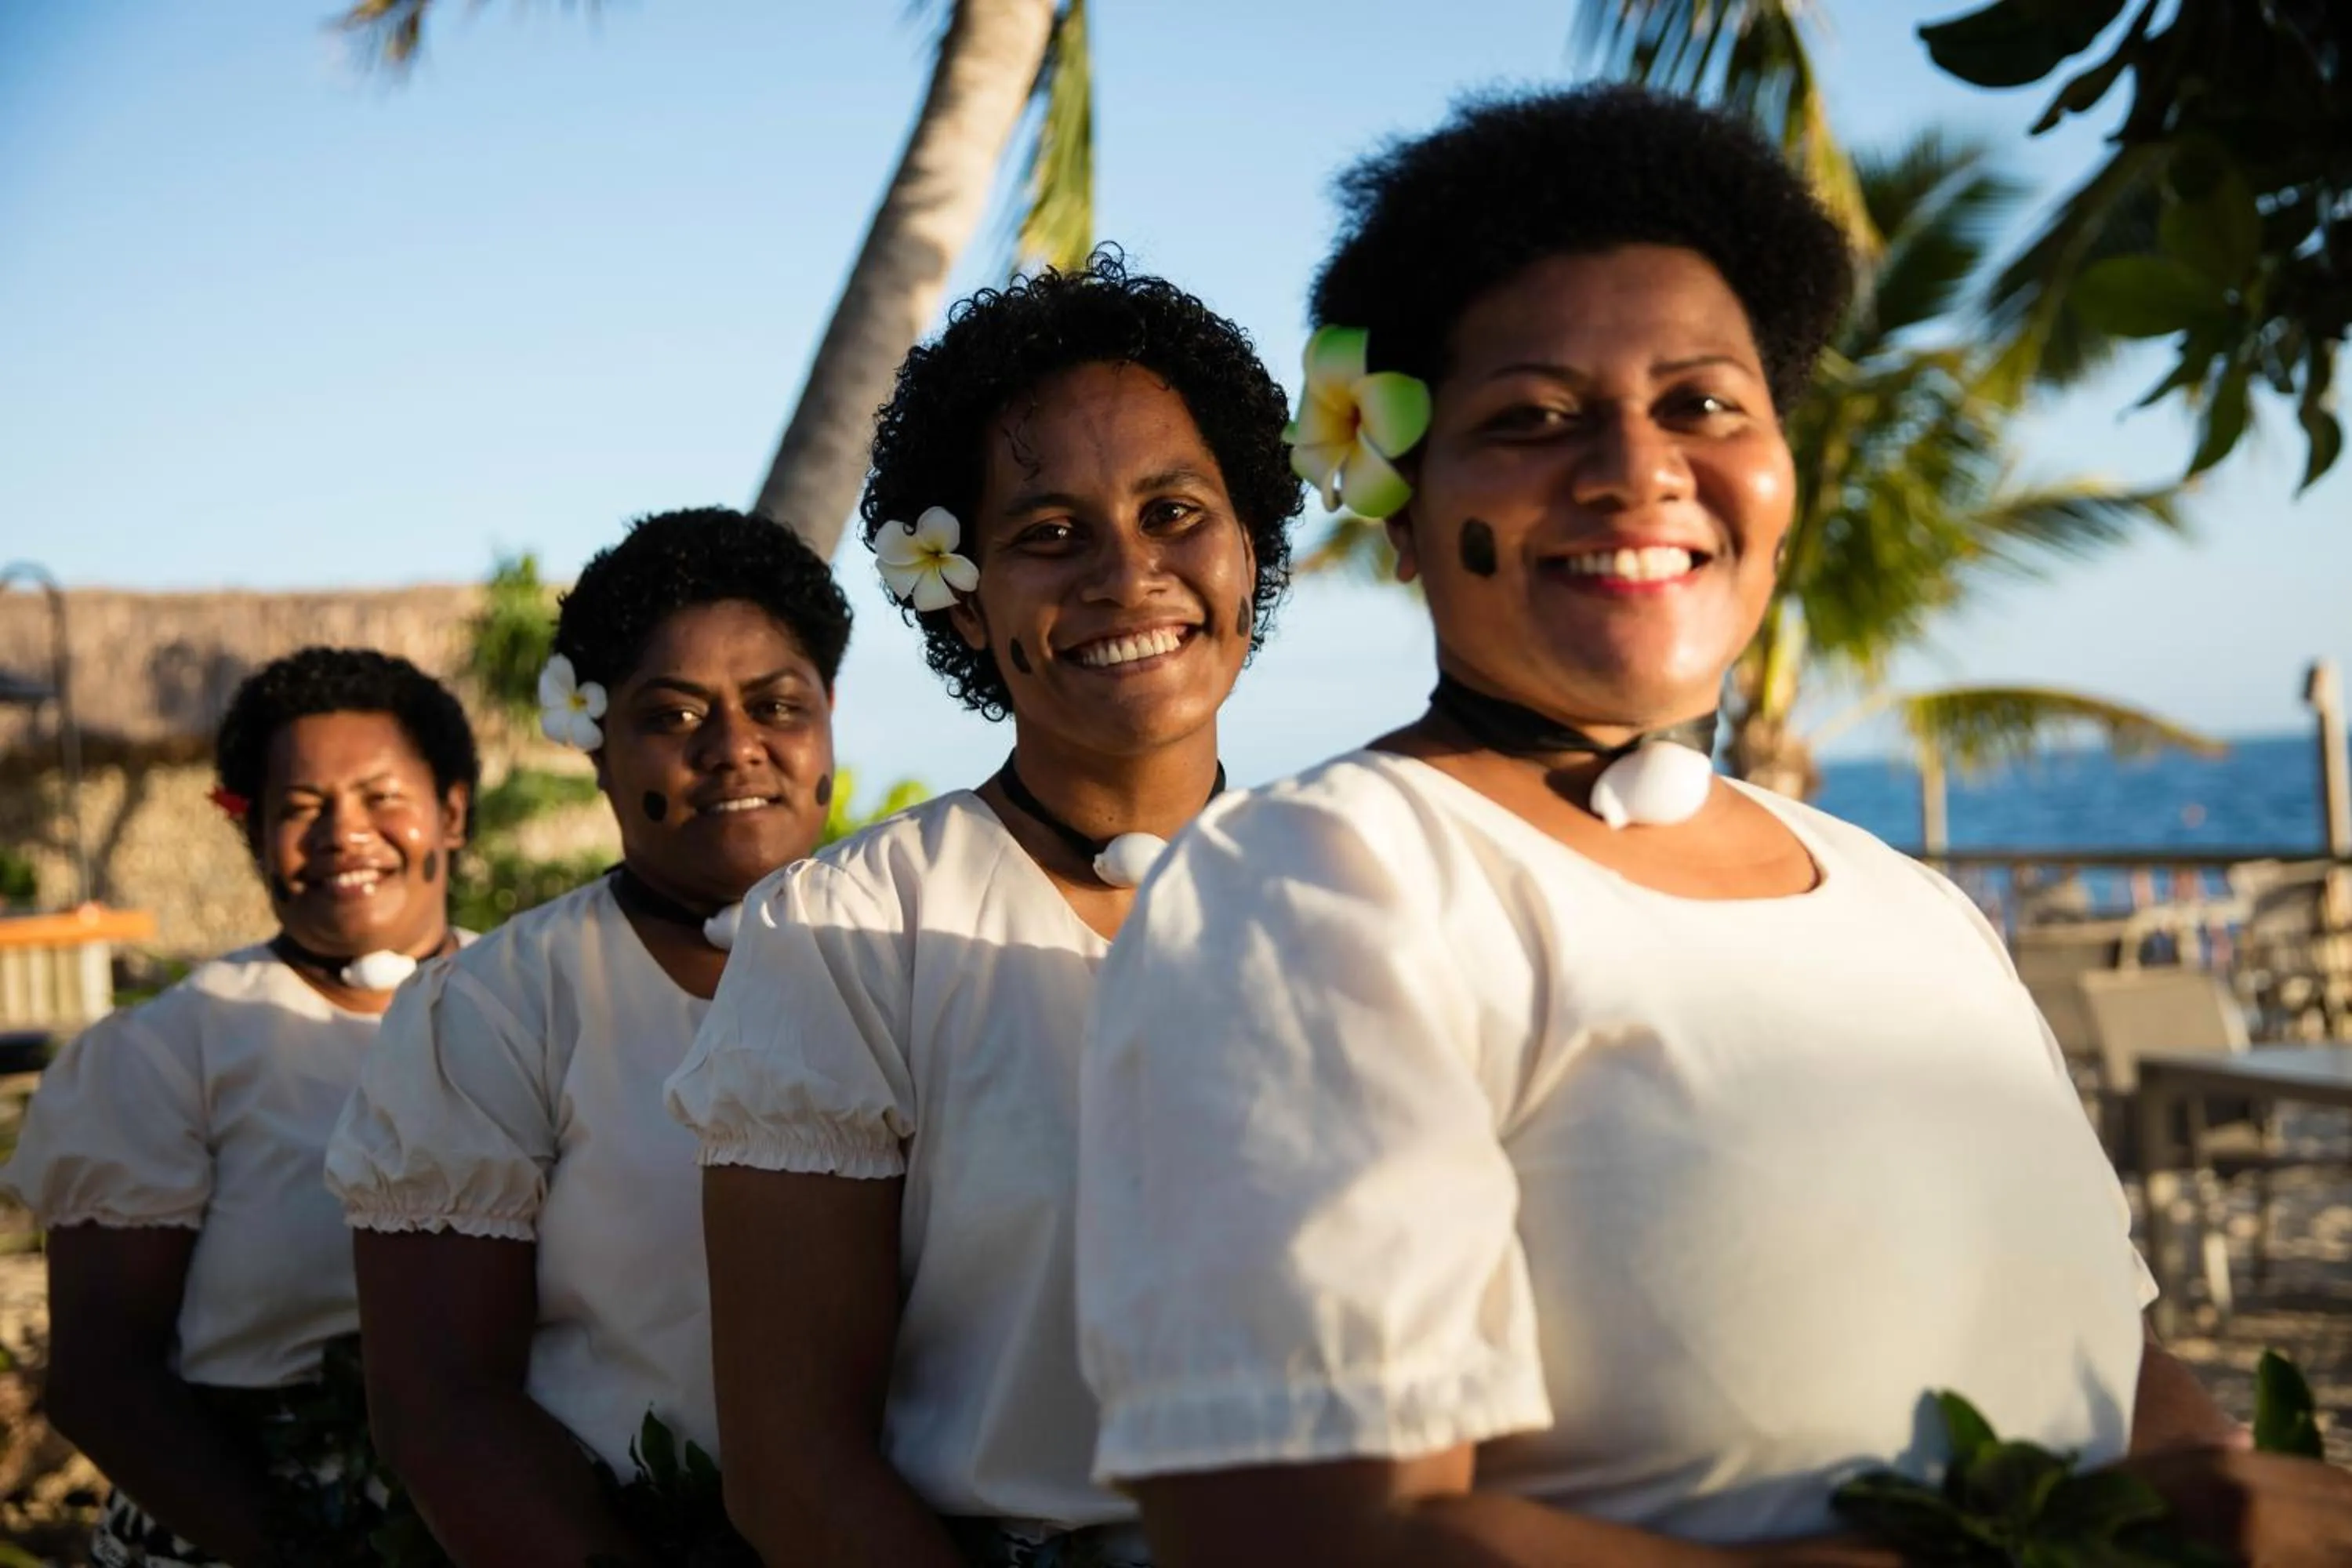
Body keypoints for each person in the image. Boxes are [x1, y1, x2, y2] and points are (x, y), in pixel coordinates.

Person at [1075, 86, 2352, 1568]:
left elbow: (2117, 1368)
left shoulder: (1907, 902)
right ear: (1405, 510)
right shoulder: (1323, 885)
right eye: (1533, 416)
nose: (1636, 465)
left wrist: (2230, 1495)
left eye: (1702, 403)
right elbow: (1300, 1530)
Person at [664, 253, 1302, 1567]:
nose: (1127, 574)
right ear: (962, 602)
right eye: (1049, 533)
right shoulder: (850, 935)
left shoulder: (1371, 883)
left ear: (1254, 545)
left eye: (1176, 511)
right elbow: (792, 1473)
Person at [325, 507, 849, 1566]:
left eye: (777, 705)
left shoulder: (928, 956)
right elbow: (443, 1403)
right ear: (596, 748)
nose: (736, 746)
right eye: (676, 714)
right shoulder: (497, 1008)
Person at [3, 646, 477, 1566]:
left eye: (383, 795)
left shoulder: (547, 1002)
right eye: (301, 808)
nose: (345, 831)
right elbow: (102, 1379)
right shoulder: (170, 1050)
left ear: (450, 810)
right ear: (254, 834)